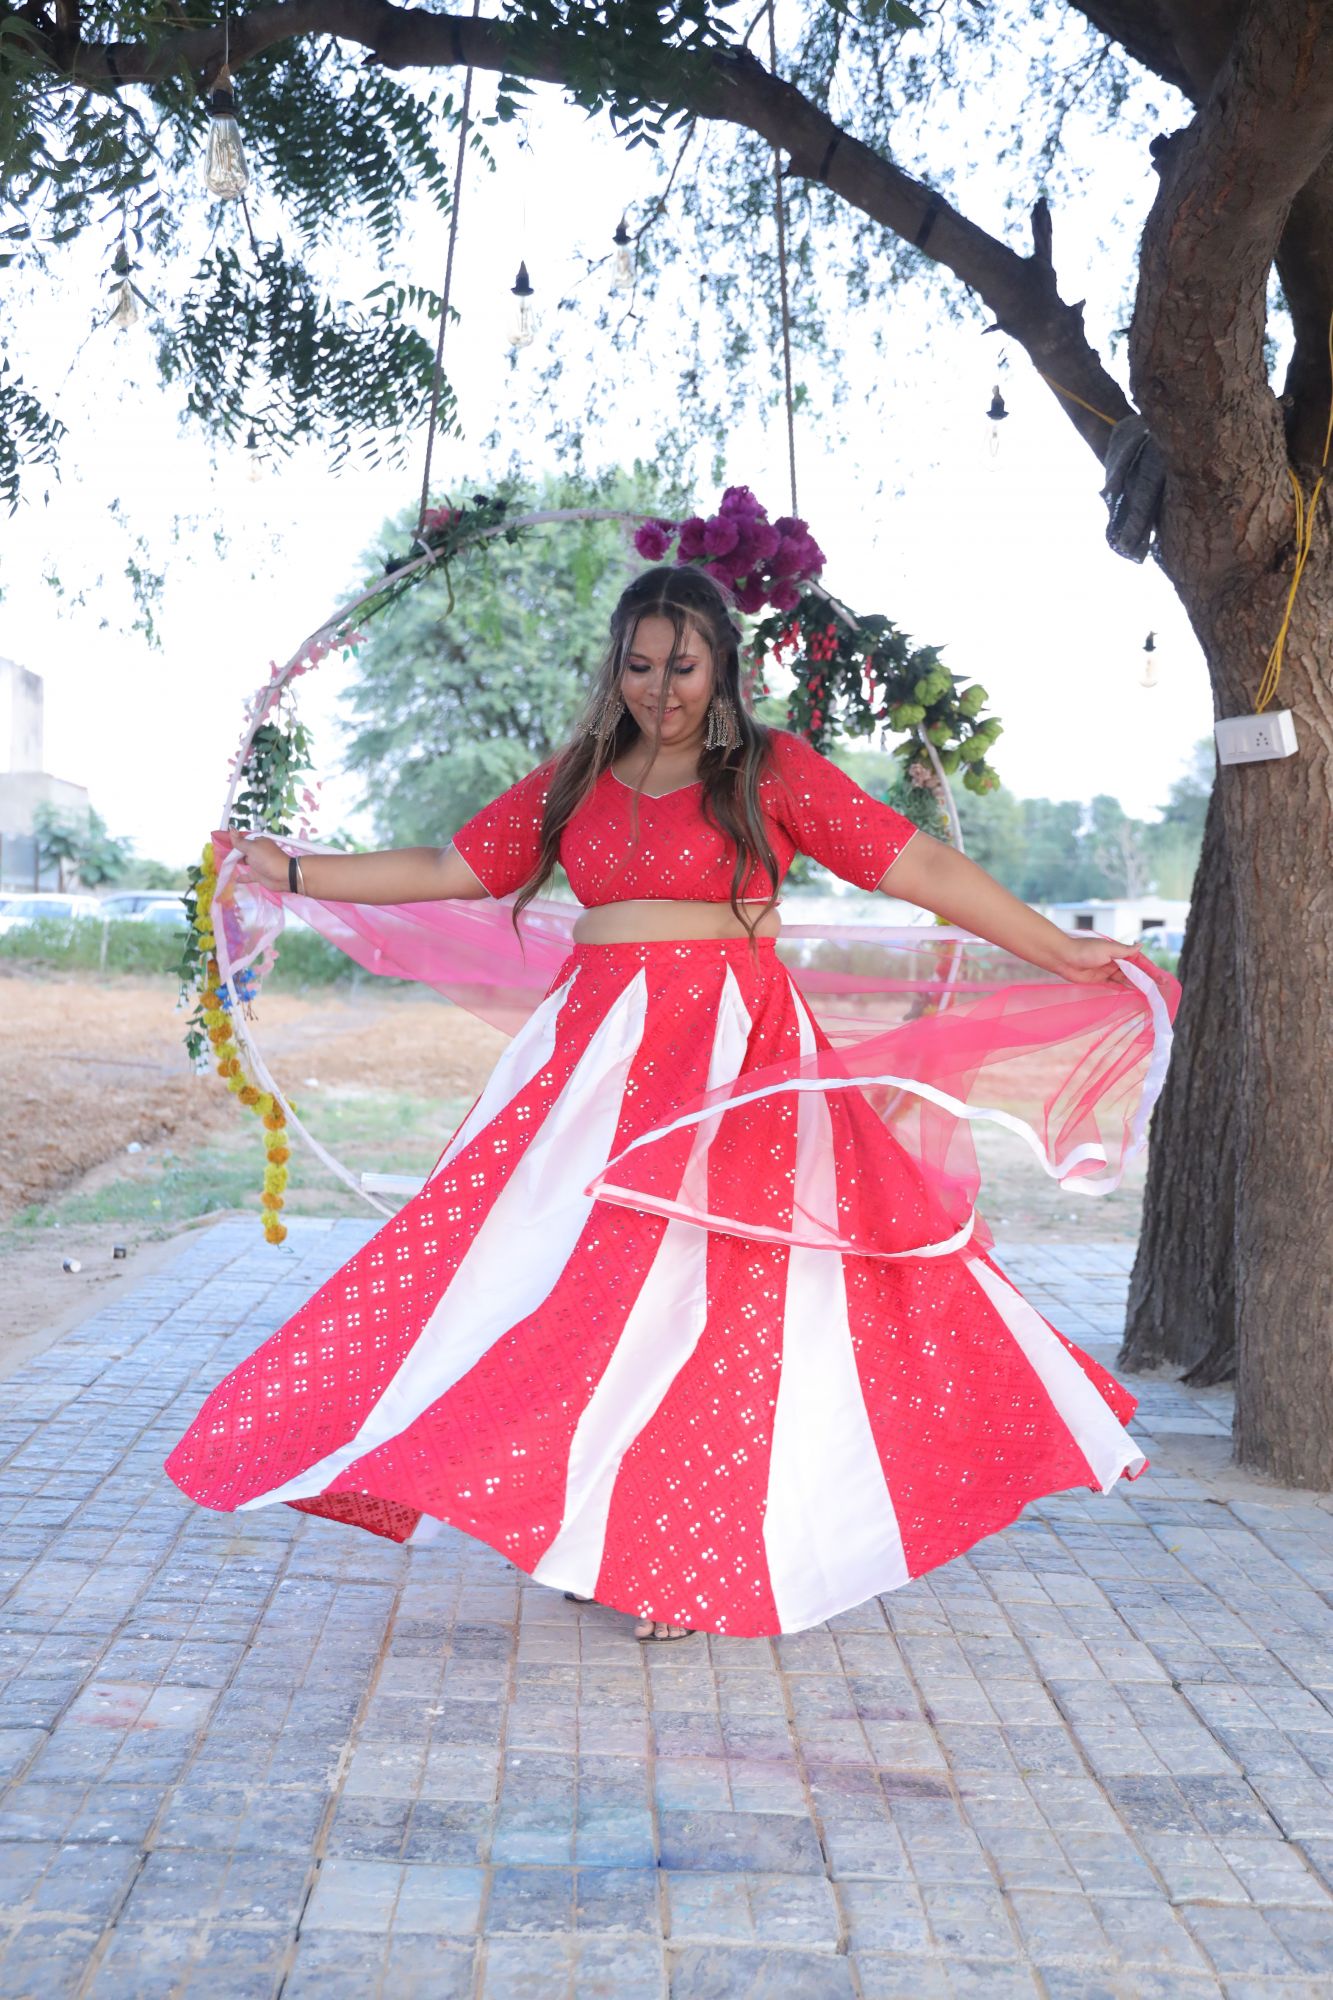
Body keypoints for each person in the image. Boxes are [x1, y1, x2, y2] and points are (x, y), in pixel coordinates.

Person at [166, 564, 1157, 1642]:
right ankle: (592, 1524)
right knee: (567, 1291)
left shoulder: (767, 771)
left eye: (681, 666)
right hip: (594, 1063)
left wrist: (1056, 948)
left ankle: (676, 1562)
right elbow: (453, 864)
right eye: (638, 666)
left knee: (708, 1298)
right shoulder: (580, 776)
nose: (658, 688)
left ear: (721, 665)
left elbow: (916, 864)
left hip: (733, 1059)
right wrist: (294, 873)